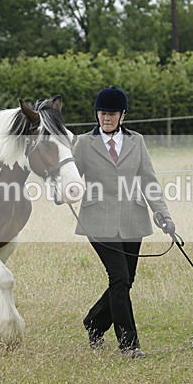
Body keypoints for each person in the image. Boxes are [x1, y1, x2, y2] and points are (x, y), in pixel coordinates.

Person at [72, 86, 175, 358]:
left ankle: (94, 322)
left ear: (123, 115)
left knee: (127, 280)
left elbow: (149, 180)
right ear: (97, 114)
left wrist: (163, 214)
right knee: (118, 278)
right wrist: (62, 191)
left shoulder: (136, 141)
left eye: (112, 113)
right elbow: (70, 177)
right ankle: (129, 345)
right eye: (102, 113)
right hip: (97, 220)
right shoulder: (83, 143)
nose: (106, 118)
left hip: (132, 219)